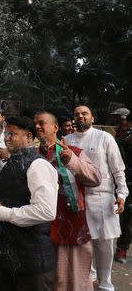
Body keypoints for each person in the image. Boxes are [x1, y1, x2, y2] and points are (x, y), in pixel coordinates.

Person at [0, 116, 58, 291]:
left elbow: (46, 211)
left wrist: (1, 212)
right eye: (6, 133)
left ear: (29, 137)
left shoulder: (38, 165)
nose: (6, 138)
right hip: (9, 262)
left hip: (31, 265)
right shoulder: (11, 163)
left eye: (12, 134)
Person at [35, 111, 101, 291]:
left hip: (71, 226)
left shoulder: (73, 152)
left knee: (75, 282)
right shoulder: (33, 155)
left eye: (42, 123)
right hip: (43, 228)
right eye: (36, 124)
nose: (37, 127)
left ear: (56, 128)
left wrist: (72, 160)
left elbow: (96, 178)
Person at [65, 105, 128, 291]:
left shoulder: (105, 138)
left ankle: (105, 285)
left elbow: (118, 169)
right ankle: (86, 284)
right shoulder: (66, 140)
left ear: (92, 118)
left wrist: (122, 194)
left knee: (104, 247)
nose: (80, 116)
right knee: (81, 247)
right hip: (75, 201)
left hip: (103, 199)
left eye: (84, 113)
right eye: (77, 114)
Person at [114, 113, 132, 263]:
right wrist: (123, 143)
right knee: (128, 218)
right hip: (128, 183)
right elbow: (118, 163)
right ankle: (122, 248)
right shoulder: (123, 140)